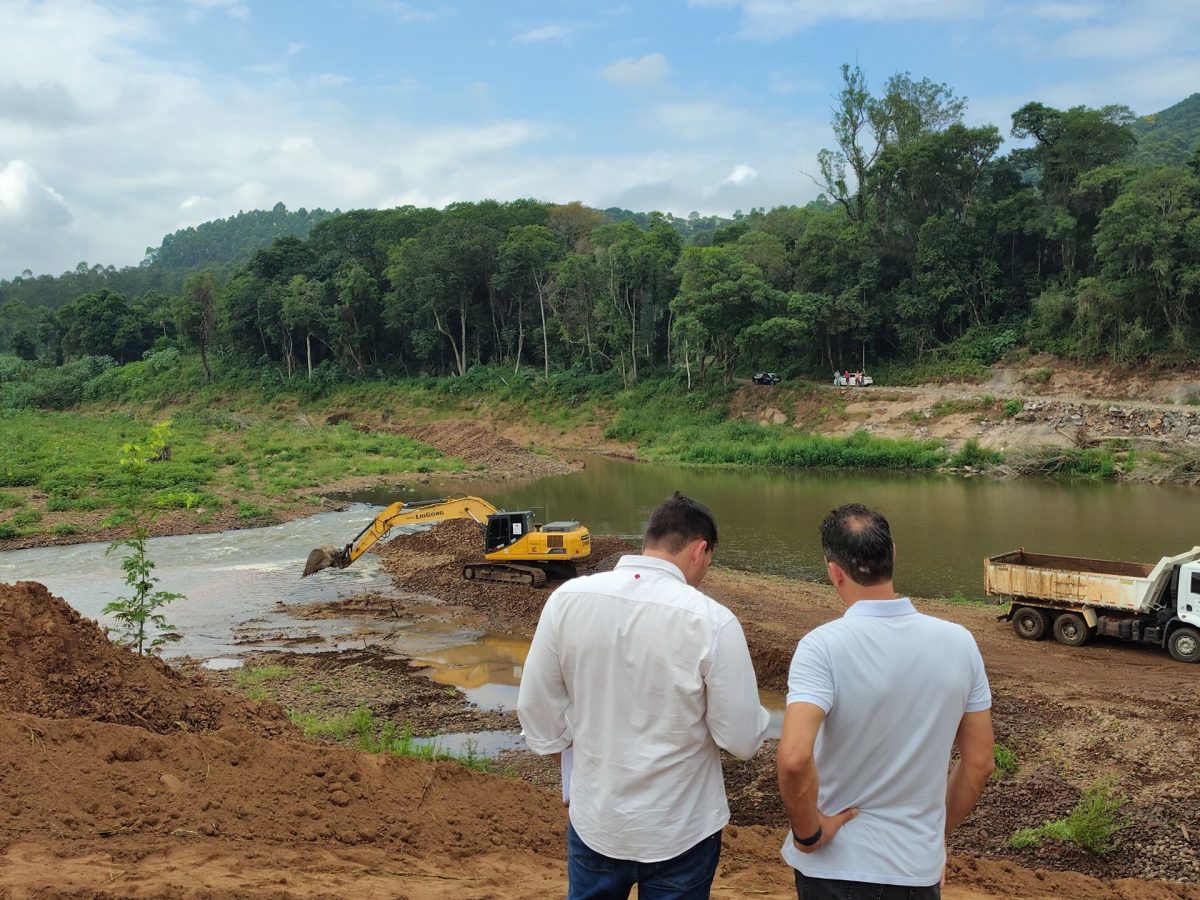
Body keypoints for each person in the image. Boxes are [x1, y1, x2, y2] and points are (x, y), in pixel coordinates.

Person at [518, 492, 771, 899]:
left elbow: (536, 711)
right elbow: (740, 739)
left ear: (649, 540)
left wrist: (581, 760)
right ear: (699, 549)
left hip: (597, 821)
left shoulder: (566, 601)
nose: (705, 571)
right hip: (681, 830)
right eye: (708, 560)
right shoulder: (713, 622)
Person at [776, 503, 994, 900]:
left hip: (834, 869)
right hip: (914, 869)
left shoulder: (821, 647)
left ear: (833, 571)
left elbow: (793, 759)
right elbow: (979, 763)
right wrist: (931, 837)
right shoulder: (959, 642)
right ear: (893, 554)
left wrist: (809, 834)